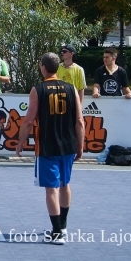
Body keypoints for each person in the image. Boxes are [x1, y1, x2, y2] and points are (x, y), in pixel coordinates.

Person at [16, 53, 84, 245]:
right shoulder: (71, 88)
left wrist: (20, 142)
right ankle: (63, 225)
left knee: (51, 189)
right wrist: (80, 145)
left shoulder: (38, 89)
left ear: (43, 68)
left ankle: (57, 232)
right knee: (65, 184)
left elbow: (29, 120)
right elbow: (79, 121)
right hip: (68, 145)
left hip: (47, 145)